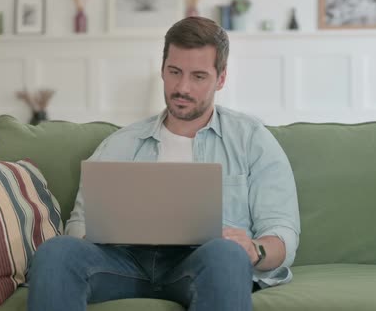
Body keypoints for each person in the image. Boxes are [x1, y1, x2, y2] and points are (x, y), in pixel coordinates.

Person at [27, 16, 300, 311]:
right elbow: (79, 223)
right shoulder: (121, 144)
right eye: (174, 72)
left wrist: (254, 249)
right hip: (123, 263)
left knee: (227, 254)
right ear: (162, 70)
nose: (182, 87)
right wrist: (103, 233)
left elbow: (282, 233)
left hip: (205, 265)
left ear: (220, 79)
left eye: (198, 76)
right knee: (56, 251)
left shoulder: (252, 140)